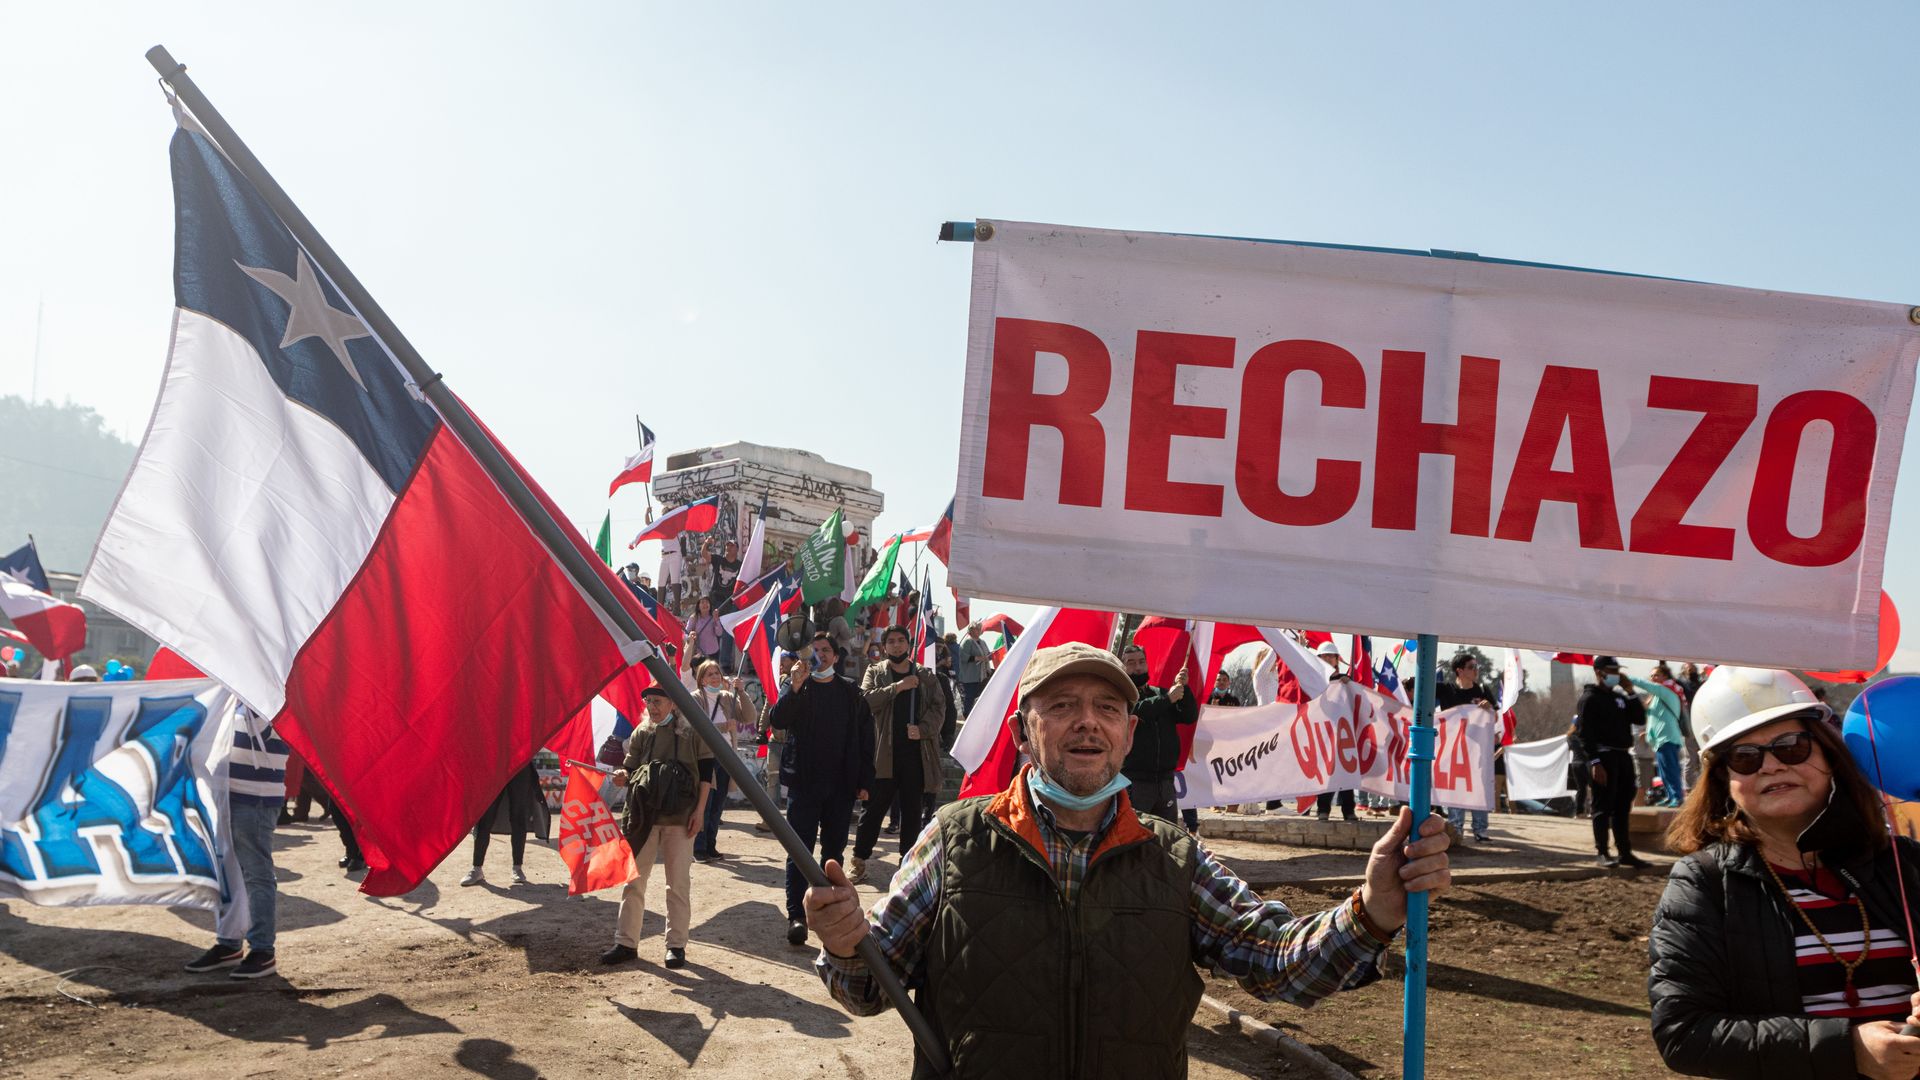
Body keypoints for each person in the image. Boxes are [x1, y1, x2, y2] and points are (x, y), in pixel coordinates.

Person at [803, 642, 1453, 1077]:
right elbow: (867, 988)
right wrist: (842, 945)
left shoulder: (1175, 858)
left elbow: (1281, 965)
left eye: (1107, 708)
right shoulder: (952, 840)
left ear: (1128, 733)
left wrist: (1373, 910)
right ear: (1020, 732)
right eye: (1061, 707)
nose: (1087, 722)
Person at [1648, 666, 1920, 1078]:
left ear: (1828, 755)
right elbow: (1684, 1034)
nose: (1771, 766)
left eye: (1791, 746)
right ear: (1726, 780)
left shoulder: (1905, 864)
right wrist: (1848, 1049)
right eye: (1745, 757)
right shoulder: (1703, 883)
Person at [770, 632, 874, 946]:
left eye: (825, 650)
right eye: (814, 651)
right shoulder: (798, 687)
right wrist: (795, 685)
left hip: (840, 788)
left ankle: (828, 916)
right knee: (799, 851)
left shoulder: (851, 692)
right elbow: (778, 719)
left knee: (832, 854)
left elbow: (866, 739)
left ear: (836, 657)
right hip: (804, 783)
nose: (820, 656)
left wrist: (865, 782)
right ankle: (796, 917)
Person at [602, 686, 714, 969]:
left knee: (677, 884)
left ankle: (676, 946)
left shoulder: (692, 731)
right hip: (644, 817)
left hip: (681, 817)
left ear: (673, 703)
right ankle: (625, 943)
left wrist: (699, 812)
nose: (652, 706)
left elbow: (706, 774)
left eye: (658, 701)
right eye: (648, 701)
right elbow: (629, 770)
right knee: (634, 882)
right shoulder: (642, 732)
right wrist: (621, 776)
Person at [184, 705, 287, 980]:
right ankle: (229, 943)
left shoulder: (270, 699)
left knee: (256, 874)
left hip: (255, 800)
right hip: (229, 798)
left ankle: (263, 951)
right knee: (228, 873)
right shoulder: (237, 702)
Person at [848, 626, 947, 884]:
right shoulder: (876, 672)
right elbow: (865, 701)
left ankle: (908, 865)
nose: (896, 646)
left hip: (916, 755)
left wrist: (922, 729)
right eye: (890, 641)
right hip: (883, 754)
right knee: (873, 810)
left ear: (909, 644)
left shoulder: (924, 675)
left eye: (901, 640)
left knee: (912, 813)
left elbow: (939, 708)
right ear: (884, 646)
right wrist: (898, 687)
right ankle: (859, 861)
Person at [1572, 656, 1649, 868]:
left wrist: (1631, 692)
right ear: (1599, 672)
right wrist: (1595, 762)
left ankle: (1625, 852)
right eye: (1610, 670)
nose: (1615, 674)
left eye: (1617, 670)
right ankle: (1602, 852)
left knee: (1623, 806)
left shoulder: (1620, 698)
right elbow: (1584, 734)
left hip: (1623, 755)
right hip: (1603, 756)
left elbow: (1640, 718)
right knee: (1602, 806)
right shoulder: (1589, 698)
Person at [1118, 642, 1197, 822]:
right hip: (1135, 782)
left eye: (1141, 662)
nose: (1137, 668)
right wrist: (1168, 699)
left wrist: (1185, 688)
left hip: (1166, 782)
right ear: (1122, 667)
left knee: (1167, 836)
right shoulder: (1120, 696)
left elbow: (1189, 716)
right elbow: (1137, 711)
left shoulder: (1160, 693)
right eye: (1131, 663)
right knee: (1134, 834)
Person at [689, 660, 755, 862]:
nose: (715, 677)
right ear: (701, 679)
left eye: (717, 673)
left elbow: (749, 717)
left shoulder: (727, 697)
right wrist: (724, 727)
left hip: (726, 757)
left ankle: (711, 844)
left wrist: (742, 692)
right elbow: (696, 727)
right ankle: (699, 848)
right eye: (710, 674)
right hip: (705, 757)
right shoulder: (695, 699)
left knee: (718, 805)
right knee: (705, 803)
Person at [1434, 653, 1496, 841]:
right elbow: (1414, 687)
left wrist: (1489, 710)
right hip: (1453, 749)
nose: (1476, 670)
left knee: (1479, 786)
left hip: (1477, 750)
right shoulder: (1446, 689)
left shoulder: (1483, 691)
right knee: (1456, 785)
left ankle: (1480, 830)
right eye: (1471, 667)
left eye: (1476, 666)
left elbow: (1495, 718)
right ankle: (1455, 829)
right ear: (1459, 671)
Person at [461, 763, 542, 886]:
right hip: (495, 763)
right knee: (485, 817)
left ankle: (517, 868)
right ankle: (476, 869)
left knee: (518, 816)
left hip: (520, 765)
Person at [1628, 669, 1686, 808]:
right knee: (1664, 772)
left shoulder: (1666, 690)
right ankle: (1670, 795)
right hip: (1660, 740)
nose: (1653, 678)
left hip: (1667, 738)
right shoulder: (1657, 696)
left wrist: (1627, 678)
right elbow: (1653, 717)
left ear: (1665, 677)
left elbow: (1646, 685)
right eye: (1652, 675)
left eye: (1656, 675)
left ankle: (1677, 797)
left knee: (1670, 770)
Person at [755, 650, 799, 832]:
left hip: (794, 741)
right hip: (776, 738)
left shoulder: (803, 682)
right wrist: (761, 729)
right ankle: (771, 820)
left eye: (785, 660)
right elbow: (769, 704)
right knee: (772, 779)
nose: (782, 664)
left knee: (796, 782)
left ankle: (794, 820)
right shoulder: (777, 681)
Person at [955, 622, 994, 715]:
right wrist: (978, 658)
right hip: (970, 677)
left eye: (979, 628)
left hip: (982, 675)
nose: (979, 630)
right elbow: (963, 656)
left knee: (981, 697)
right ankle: (967, 716)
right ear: (971, 630)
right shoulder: (967, 642)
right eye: (976, 628)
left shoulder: (983, 642)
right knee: (970, 698)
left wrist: (990, 655)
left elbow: (987, 654)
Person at [686, 596, 728, 677]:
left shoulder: (713, 617)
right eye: (702, 602)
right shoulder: (693, 618)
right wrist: (691, 635)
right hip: (699, 653)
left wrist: (716, 620)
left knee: (713, 674)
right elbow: (686, 633)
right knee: (700, 675)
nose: (705, 604)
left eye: (707, 602)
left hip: (713, 652)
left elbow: (719, 633)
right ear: (698, 606)